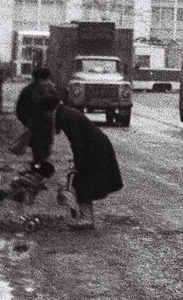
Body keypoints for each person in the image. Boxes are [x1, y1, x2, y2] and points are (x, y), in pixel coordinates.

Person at [45, 97, 123, 230]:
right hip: (95, 146)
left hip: (95, 148)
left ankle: (86, 219)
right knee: (82, 180)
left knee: (82, 179)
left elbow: (76, 142)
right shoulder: (65, 112)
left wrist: (78, 164)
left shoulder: (65, 117)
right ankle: (85, 216)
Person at [15, 67, 59, 164]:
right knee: (39, 153)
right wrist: (28, 122)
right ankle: (36, 172)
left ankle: (37, 171)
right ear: (39, 79)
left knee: (45, 152)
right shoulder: (29, 91)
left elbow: (56, 105)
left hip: (47, 126)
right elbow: (20, 110)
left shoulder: (49, 90)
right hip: (36, 127)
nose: (47, 81)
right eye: (45, 79)